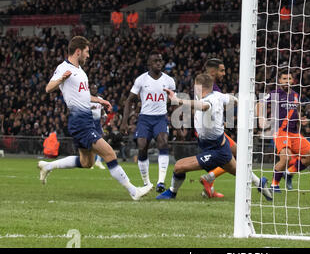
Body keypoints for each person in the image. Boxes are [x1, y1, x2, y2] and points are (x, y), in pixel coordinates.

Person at [38, 36, 152, 201]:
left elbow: (83, 96)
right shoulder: (63, 68)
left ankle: (48, 166)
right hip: (80, 121)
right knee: (109, 153)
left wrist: (99, 100)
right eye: (87, 52)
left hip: (86, 119)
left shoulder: (81, 72)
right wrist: (62, 79)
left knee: (87, 163)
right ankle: (134, 191)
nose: (88, 55)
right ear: (78, 51)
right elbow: (48, 88)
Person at [156, 74, 272, 201]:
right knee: (239, 172)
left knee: (179, 166)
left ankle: (172, 192)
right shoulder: (218, 96)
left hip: (215, 150)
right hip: (220, 144)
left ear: (198, 87)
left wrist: (178, 100)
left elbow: (204, 106)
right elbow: (233, 99)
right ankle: (259, 182)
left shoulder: (208, 101)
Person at [121, 50, 176, 193]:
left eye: (160, 60)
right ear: (149, 64)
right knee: (141, 146)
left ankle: (161, 182)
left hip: (160, 118)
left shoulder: (169, 81)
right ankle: (147, 183)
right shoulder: (141, 80)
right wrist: (124, 122)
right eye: (155, 61)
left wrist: (174, 115)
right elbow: (129, 101)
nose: (159, 63)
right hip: (145, 118)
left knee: (163, 142)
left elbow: (174, 100)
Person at [255, 70, 310, 192]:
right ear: (279, 81)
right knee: (286, 158)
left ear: (292, 81)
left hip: (294, 133)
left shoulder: (295, 95)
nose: (287, 81)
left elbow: (296, 110)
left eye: (289, 79)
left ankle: (288, 173)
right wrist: (261, 118)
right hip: (280, 131)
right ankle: (274, 185)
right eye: (284, 79)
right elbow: (260, 104)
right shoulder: (275, 93)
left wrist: (300, 118)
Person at [197, 58, 236, 198]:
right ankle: (210, 178)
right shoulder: (208, 87)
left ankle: (209, 185)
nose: (224, 73)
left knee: (220, 157)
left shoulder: (206, 85)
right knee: (234, 154)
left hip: (210, 129)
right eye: (222, 70)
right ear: (213, 72)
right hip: (209, 132)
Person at [90, 83, 106, 169]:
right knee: (91, 142)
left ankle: (98, 161)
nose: (94, 90)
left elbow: (102, 110)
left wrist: (104, 116)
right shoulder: (87, 99)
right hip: (89, 122)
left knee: (101, 140)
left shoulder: (100, 99)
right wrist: (89, 109)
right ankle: (91, 162)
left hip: (97, 123)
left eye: (95, 89)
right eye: (92, 89)